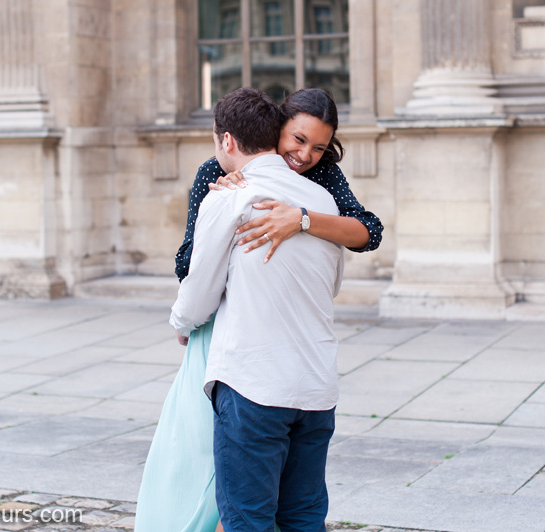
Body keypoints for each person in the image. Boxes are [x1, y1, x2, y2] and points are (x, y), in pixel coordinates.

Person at [134, 88, 383, 532]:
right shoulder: (315, 198)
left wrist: (183, 323)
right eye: (299, 140)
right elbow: (333, 284)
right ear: (276, 130)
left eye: (319, 147)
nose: (306, 154)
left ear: (226, 140)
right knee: (303, 516)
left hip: (254, 382)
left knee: (247, 517)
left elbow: (199, 285)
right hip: (315, 385)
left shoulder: (246, 195)